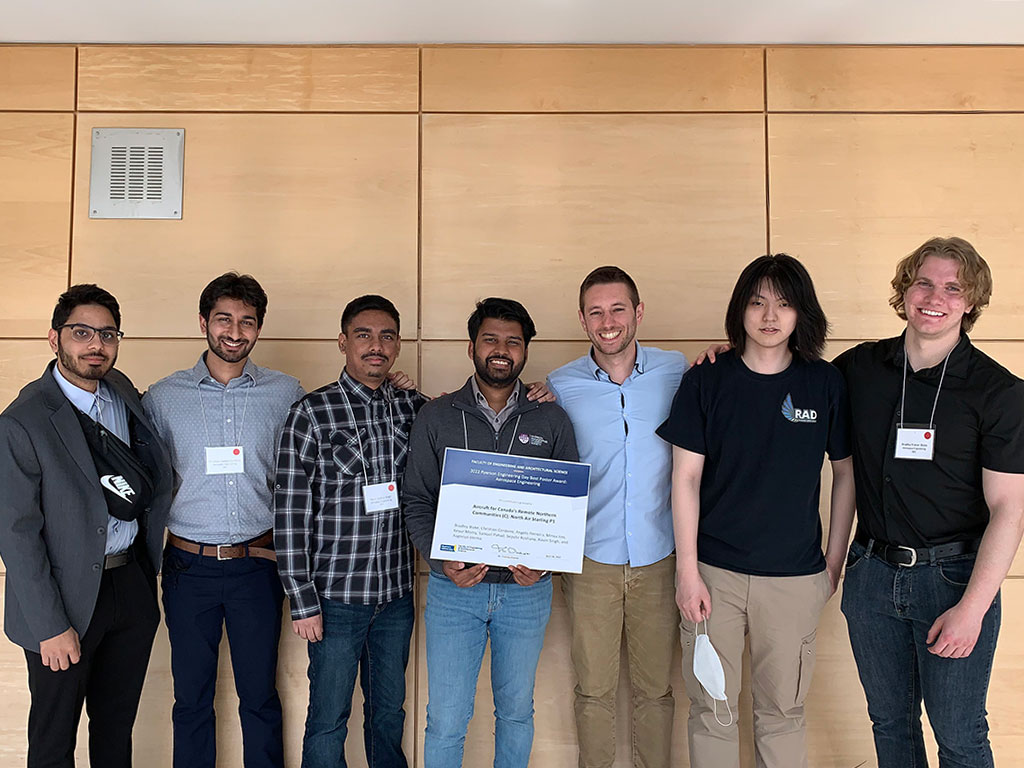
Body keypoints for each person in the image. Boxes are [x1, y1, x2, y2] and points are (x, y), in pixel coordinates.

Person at [657, 254, 856, 768]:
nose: (770, 315)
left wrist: (833, 563)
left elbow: (846, 474)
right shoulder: (707, 379)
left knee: (783, 711)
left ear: (801, 313)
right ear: (739, 309)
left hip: (794, 578)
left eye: (785, 304)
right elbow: (685, 476)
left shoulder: (824, 383)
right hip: (713, 576)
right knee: (712, 709)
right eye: (758, 301)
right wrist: (687, 572)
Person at [833, 237, 1024, 767]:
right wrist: (727, 355)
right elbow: (781, 370)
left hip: (955, 581)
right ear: (904, 291)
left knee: (960, 736)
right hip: (871, 575)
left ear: (971, 301)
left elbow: (1010, 509)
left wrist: (973, 609)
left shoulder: (999, 392)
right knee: (890, 725)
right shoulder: (859, 369)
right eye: (923, 282)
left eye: (952, 287)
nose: (934, 297)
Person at [0, 284, 173, 768]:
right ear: (54, 339)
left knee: (115, 729)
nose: (95, 344)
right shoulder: (24, 421)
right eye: (82, 332)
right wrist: (50, 626)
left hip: (130, 586)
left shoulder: (122, 392)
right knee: (54, 739)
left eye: (107, 334)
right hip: (65, 601)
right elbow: (15, 535)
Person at [403, 297, 579, 768]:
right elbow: (417, 500)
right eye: (491, 340)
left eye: (512, 342)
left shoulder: (552, 419)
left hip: (526, 594)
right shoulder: (437, 416)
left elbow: (566, 507)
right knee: (444, 719)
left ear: (524, 351)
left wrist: (546, 563)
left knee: (517, 714)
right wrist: (443, 563)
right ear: (471, 347)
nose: (501, 350)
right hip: (454, 591)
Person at [143, 273, 305, 768]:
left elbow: (303, 474)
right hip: (187, 567)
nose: (235, 331)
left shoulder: (286, 393)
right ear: (203, 323)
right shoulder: (162, 398)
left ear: (258, 329)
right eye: (224, 319)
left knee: (260, 695)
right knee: (190, 698)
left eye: (247, 322)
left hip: (258, 565)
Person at [274, 294, 429, 768]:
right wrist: (302, 602)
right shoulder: (311, 413)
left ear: (398, 345)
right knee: (327, 718)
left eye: (386, 336)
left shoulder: (414, 409)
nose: (375, 346)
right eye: (363, 335)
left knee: (388, 715)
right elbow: (290, 515)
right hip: (335, 601)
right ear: (343, 342)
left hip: (396, 597)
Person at [546, 266, 687, 768]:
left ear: (638, 312)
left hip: (661, 556)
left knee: (656, 690)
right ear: (582, 319)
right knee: (593, 691)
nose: (608, 322)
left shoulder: (681, 371)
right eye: (596, 311)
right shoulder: (558, 386)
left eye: (618, 308)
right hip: (589, 558)